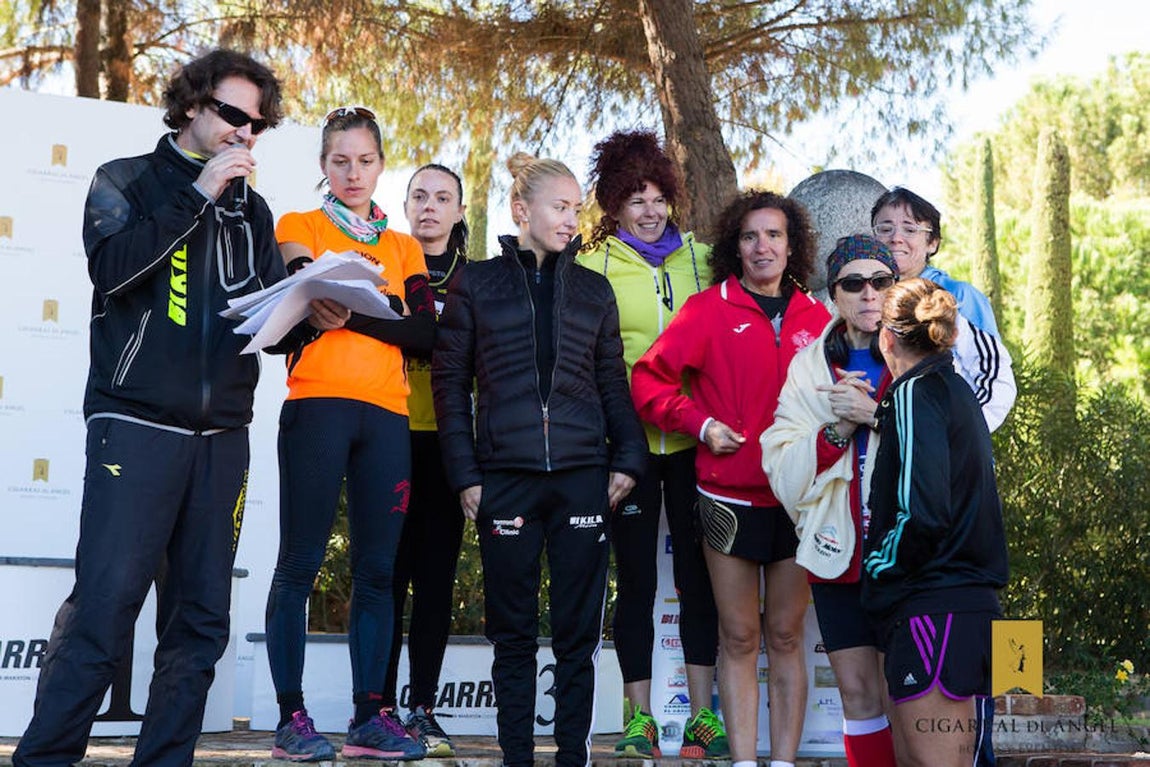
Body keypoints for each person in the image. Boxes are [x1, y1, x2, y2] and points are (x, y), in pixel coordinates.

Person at [13, 50, 346, 767]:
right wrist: (196, 195)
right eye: (232, 115)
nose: (243, 135)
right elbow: (111, 269)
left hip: (223, 437)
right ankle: (43, 759)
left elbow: (260, 319)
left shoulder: (252, 210)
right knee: (103, 609)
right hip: (135, 425)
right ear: (191, 103)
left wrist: (311, 311)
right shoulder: (124, 179)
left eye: (256, 125)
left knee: (201, 622)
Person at [432, 153, 647, 767]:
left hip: (584, 478)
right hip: (505, 479)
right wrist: (465, 474)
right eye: (561, 207)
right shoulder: (476, 281)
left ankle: (572, 759)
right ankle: (517, 758)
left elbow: (612, 382)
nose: (571, 220)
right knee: (513, 636)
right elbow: (450, 385)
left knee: (579, 637)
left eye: (577, 209)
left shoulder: (593, 287)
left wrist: (628, 459)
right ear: (521, 211)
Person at [631, 190, 831, 767]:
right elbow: (648, 382)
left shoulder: (817, 320)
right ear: (734, 247)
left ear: (792, 246)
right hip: (726, 500)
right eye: (750, 236)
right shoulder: (705, 310)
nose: (762, 246)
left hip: (798, 501)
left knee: (788, 636)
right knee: (740, 637)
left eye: (773, 235)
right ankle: (745, 762)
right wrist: (702, 424)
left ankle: (783, 762)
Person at [264, 106, 433, 762]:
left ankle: (371, 715)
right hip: (317, 407)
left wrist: (357, 318)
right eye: (340, 161)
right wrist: (376, 309)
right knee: (300, 563)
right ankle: (290, 716)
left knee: (377, 570)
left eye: (365, 160)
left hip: (387, 416)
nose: (353, 172)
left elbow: (424, 333)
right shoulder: (298, 224)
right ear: (324, 166)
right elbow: (306, 294)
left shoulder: (403, 246)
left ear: (381, 164)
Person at [575, 130, 724, 760]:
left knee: (700, 578)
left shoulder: (706, 260)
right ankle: (638, 719)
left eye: (659, 196)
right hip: (628, 444)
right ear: (613, 204)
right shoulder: (592, 265)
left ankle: (703, 717)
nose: (650, 209)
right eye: (636, 198)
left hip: (697, 439)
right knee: (634, 582)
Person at [761, 235, 901, 767]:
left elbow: (950, 443)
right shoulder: (810, 366)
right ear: (833, 295)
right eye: (853, 284)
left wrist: (878, 417)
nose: (869, 294)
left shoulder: (925, 354)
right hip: (838, 553)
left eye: (881, 281)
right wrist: (838, 427)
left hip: (909, 557)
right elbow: (781, 466)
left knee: (905, 696)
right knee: (859, 695)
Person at [862, 277, 1009, 767]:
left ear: (887, 338)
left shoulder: (914, 393)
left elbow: (921, 514)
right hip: (971, 609)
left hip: (935, 608)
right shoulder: (958, 389)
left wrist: (876, 570)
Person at [379, 163, 470, 757]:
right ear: (406, 204)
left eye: (443, 198)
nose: (430, 206)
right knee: (384, 579)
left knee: (434, 581)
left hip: (449, 442)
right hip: (384, 433)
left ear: (461, 212)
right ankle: (379, 707)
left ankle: (425, 708)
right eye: (420, 196)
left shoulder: (478, 279)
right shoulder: (382, 258)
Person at [870, 187, 1015, 433]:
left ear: (932, 243)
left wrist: (956, 435)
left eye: (910, 228)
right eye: (885, 229)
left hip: (949, 450)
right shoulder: (864, 296)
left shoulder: (959, 297)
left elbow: (993, 378)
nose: (895, 237)